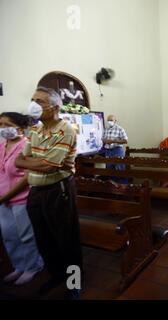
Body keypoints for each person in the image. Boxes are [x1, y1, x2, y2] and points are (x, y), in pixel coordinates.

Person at [15, 86, 82, 299]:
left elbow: (50, 166)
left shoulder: (66, 130)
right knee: (43, 238)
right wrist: (37, 162)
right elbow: (18, 160)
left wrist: (33, 162)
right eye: (33, 99)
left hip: (58, 190)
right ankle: (57, 275)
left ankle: (74, 283)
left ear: (55, 107)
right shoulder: (34, 130)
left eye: (40, 101)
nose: (34, 104)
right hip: (36, 191)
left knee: (66, 239)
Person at [0, 112, 43, 285]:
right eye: (0, 124)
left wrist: (6, 197)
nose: (2, 128)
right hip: (2, 199)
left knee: (26, 235)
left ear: (19, 128)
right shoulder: (2, 146)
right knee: (9, 235)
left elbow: (27, 177)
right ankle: (19, 265)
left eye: (5, 124)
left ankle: (33, 266)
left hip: (20, 198)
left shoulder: (27, 146)